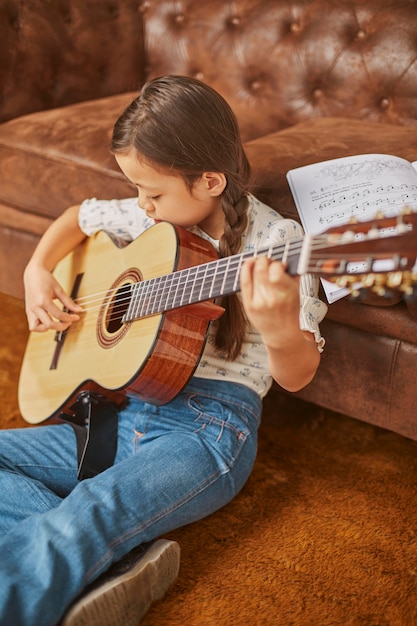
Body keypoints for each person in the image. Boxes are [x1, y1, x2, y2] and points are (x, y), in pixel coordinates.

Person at [0, 75, 327, 625]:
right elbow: (78, 217)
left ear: (209, 181)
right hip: (122, 411)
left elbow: (298, 375)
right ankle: (119, 567)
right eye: (136, 191)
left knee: (89, 512)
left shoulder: (279, 245)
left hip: (208, 431)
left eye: (152, 193)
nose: (142, 206)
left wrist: (276, 327)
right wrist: (36, 270)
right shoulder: (151, 217)